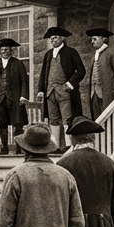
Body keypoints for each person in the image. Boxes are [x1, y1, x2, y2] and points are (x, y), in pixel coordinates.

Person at [35, 26, 84, 154]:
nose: (53, 40)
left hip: (65, 92)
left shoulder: (71, 52)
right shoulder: (48, 55)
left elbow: (81, 71)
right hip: (50, 92)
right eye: (51, 38)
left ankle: (69, 146)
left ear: (62, 38)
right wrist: (41, 90)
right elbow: (43, 74)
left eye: (55, 37)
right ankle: (55, 145)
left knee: (67, 118)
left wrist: (70, 83)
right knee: (53, 119)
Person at [82, 28, 114, 119]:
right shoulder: (94, 56)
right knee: (97, 119)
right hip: (94, 94)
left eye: (95, 39)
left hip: (108, 92)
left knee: (110, 118)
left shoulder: (112, 53)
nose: (92, 42)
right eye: (92, 39)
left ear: (103, 39)